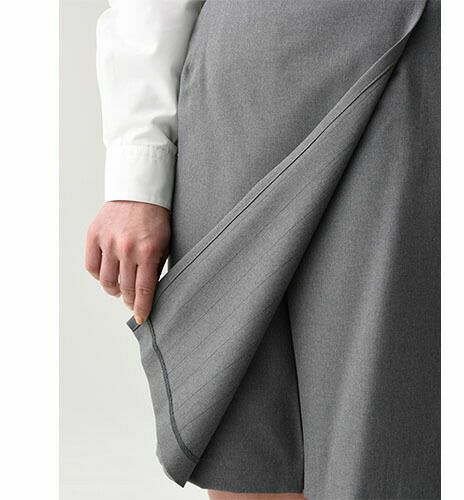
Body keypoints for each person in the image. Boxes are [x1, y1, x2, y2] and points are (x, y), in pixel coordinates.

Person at [85, 1, 441, 499]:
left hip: (402, 85)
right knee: (243, 442)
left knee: (379, 440)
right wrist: (136, 172)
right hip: (237, 96)